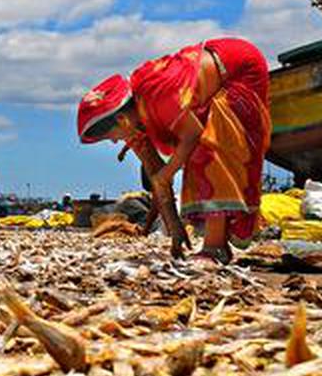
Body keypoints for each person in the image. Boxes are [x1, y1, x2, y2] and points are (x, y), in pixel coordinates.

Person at [77, 37, 271, 262]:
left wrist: (167, 172)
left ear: (121, 119)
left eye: (109, 137)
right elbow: (156, 176)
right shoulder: (135, 124)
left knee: (206, 149)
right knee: (194, 152)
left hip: (239, 68)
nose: (113, 143)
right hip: (212, 75)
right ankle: (218, 243)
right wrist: (175, 228)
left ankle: (215, 247)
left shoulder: (159, 97)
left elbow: (193, 135)